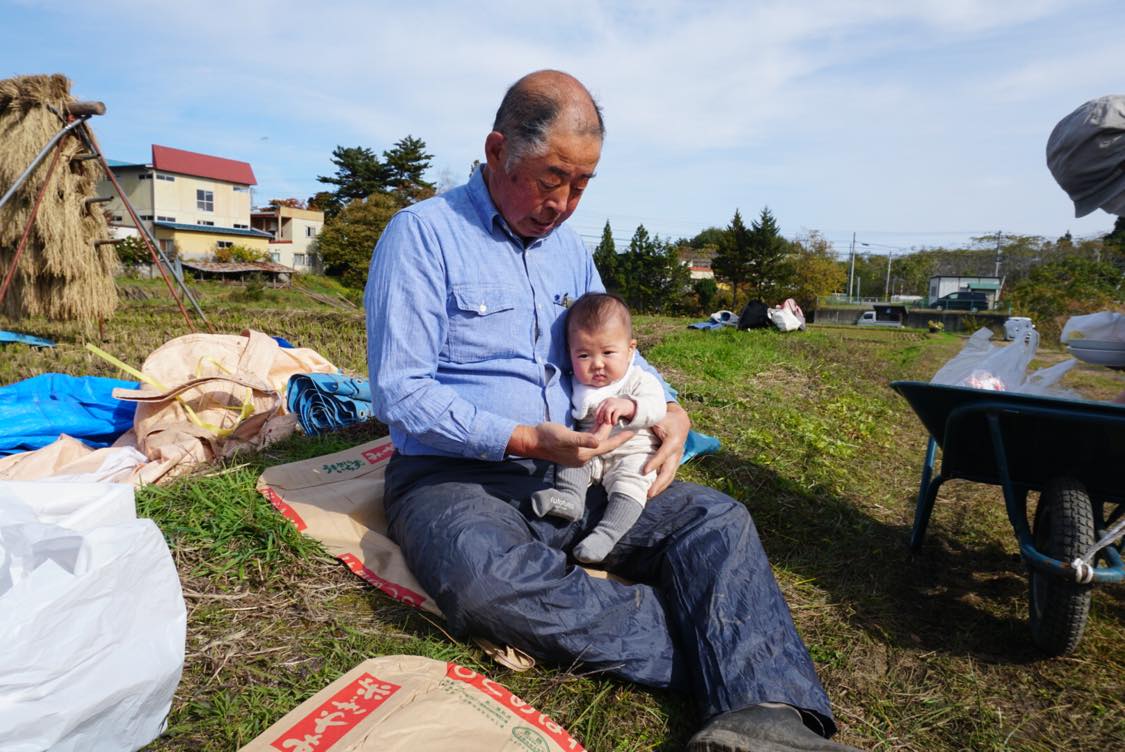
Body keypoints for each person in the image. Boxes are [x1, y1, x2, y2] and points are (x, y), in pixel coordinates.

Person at [365, 69, 858, 751]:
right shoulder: (421, 236)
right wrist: (522, 439)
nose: (564, 203)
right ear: (495, 149)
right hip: (457, 479)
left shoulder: (569, 251)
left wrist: (674, 410)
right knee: (483, 585)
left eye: (583, 184)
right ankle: (737, 664)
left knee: (716, 519)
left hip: (582, 470)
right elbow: (401, 392)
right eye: (550, 178)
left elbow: (615, 348)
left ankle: (767, 721)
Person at [531, 292, 667, 563]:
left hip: (632, 451)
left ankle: (607, 534)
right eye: (583, 355)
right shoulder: (574, 383)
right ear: (570, 355)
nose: (597, 364)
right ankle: (570, 500)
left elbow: (657, 407)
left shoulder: (638, 380)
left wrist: (630, 407)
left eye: (608, 352)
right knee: (570, 463)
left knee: (633, 484)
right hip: (591, 451)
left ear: (630, 350)